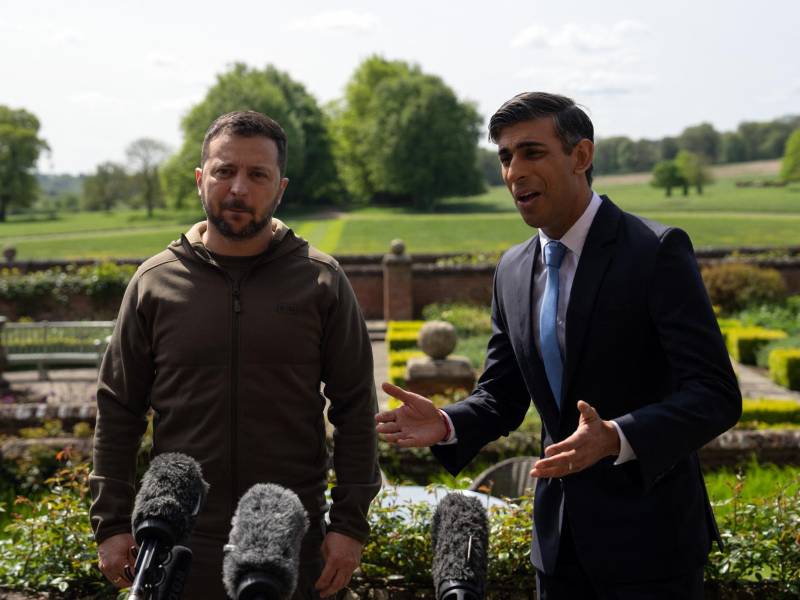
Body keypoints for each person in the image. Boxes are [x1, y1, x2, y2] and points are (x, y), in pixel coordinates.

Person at [376, 92, 741, 599]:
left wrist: (616, 436)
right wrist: (447, 422)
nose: (514, 171)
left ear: (581, 156)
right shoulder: (511, 269)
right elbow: (502, 395)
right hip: (557, 549)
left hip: (653, 547)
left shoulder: (655, 252)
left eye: (531, 152)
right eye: (505, 157)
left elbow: (716, 394)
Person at [90, 110, 381, 599]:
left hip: (292, 537)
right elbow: (118, 410)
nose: (239, 188)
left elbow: (356, 410)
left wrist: (349, 526)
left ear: (280, 188)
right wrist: (112, 524)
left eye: (257, 174)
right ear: (201, 179)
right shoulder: (155, 283)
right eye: (225, 171)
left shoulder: (321, 281)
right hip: (181, 545)